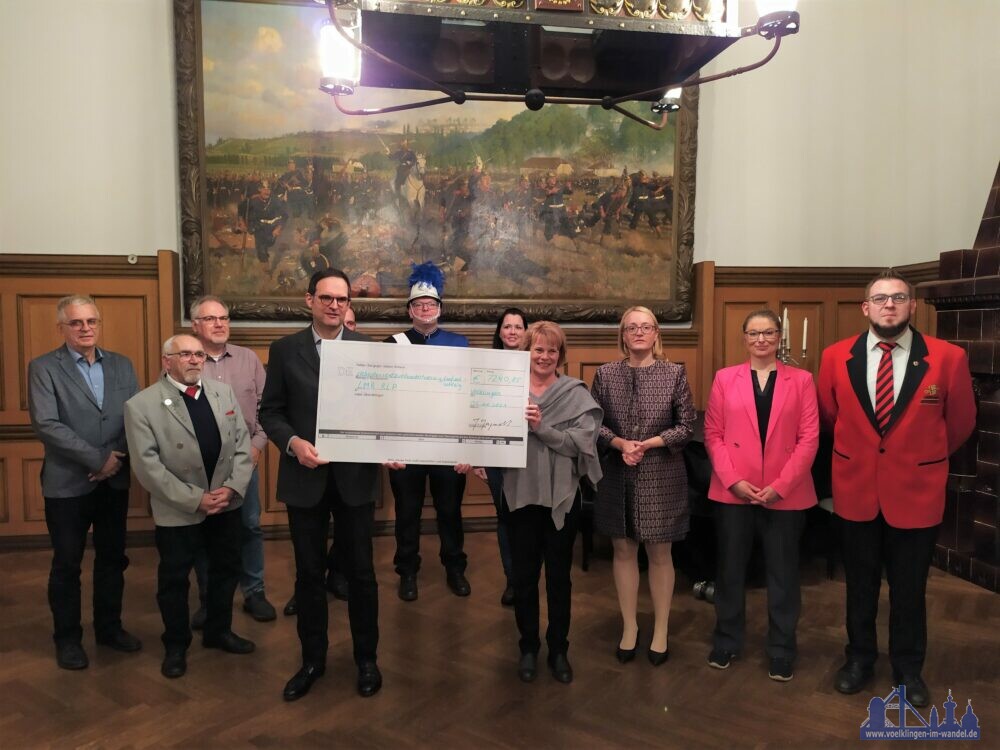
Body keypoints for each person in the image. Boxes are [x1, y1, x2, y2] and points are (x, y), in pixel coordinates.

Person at [818, 269, 975, 708]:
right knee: (860, 586)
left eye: (899, 297)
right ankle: (859, 660)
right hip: (856, 492)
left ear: (912, 306)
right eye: (881, 298)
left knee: (910, 589)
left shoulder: (948, 358)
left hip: (917, 493)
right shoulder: (835, 357)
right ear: (865, 308)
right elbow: (830, 416)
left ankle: (908, 670)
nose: (890, 304)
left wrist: (919, 456)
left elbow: (959, 423)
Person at [259, 268, 382, 700]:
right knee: (309, 575)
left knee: (362, 574)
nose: (334, 305)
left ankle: (367, 660)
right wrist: (293, 443)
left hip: (355, 480)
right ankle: (313, 660)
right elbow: (270, 412)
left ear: (350, 305)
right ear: (308, 300)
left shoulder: (370, 351)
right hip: (304, 477)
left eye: (342, 299)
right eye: (326, 298)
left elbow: (385, 411)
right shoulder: (284, 350)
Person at [471, 321, 602, 685]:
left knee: (559, 578)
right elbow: (483, 428)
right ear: (527, 352)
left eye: (552, 350)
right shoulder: (507, 391)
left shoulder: (575, 393)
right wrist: (471, 452)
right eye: (538, 349)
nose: (545, 356)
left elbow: (581, 444)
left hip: (561, 498)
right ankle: (528, 646)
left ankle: (558, 649)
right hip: (519, 495)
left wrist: (541, 427)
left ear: (561, 355)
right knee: (524, 578)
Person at [124, 334, 255, 679]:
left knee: (226, 570)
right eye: (186, 355)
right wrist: (195, 499)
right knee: (175, 579)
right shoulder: (142, 405)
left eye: (198, 354)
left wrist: (231, 488)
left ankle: (218, 630)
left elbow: (242, 444)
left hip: (224, 503)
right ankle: (176, 644)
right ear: (167, 361)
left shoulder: (221, 392)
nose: (195, 360)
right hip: (179, 508)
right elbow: (147, 467)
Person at [703, 310, 819, 682]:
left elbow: (809, 438)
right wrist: (733, 480)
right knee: (730, 571)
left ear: (779, 336)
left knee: (783, 574)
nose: (761, 339)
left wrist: (782, 485)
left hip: (785, 493)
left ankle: (782, 648)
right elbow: (713, 435)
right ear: (744, 337)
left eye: (768, 332)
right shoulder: (724, 379)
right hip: (734, 490)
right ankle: (726, 640)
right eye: (754, 333)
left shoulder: (801, 380)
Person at [27, 295, 142, 670]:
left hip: (113, 482)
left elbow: (135, 416)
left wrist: (114, 460)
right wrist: (98, 459)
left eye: (91, 321)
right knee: (67, 564)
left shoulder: (122, 366)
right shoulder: (43, 367)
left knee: (112, 559)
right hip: (67, 485)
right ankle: (68, 639)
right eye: (76, 323)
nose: (85, 328)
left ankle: (109, 629)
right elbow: (47, 424)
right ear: (61, 327)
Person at [590, 306, 696, 666]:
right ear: (622, 335)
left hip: (661, 473)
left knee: (660, 553)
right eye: (632, 327)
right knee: (622, 550)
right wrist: (621, 444)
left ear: (655, 334)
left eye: (645, 326)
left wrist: (647, 444)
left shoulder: (674, 374)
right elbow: (592, 424)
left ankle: (662, 628)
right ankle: (630, 626)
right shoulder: (605, 375)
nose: (638, 332)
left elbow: (686, 426)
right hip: (617, 473)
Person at [384, 262, 472, 602]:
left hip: (448, 445)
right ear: (409, 310)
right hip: (406, 445)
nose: (425, 309)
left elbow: (466, 399)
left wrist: (468, 448)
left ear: (439, 309)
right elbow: (383, 399)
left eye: (431, 304)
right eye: (419, 305)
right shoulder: (392, 344)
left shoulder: (458, 343)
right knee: (408, 512)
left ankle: (455, 567)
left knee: (450, 511)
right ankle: (407, 570)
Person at [188, 296, 276, 624]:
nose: (220, 324)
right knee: (205, 530)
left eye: (224, 317)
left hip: (244, 461)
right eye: (210, 318)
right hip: (201, 465)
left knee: (249, 526)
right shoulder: (185, 359)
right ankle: (209, 599)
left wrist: (257, 446)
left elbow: (268, 407)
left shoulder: (248, 359)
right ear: (195, 325)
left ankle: (254, 591)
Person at [484, 308, 530, 607]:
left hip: (531, 451)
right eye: (507, 326)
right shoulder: (486, 365)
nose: (512, 331)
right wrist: (477, 457)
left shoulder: (539, 362)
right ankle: (512, 580)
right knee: (505, 516)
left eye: (518, 326)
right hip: (496, 452)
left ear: (526, 331)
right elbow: (476, 411)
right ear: (499, 332)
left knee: (527, 518)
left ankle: (527, 578)